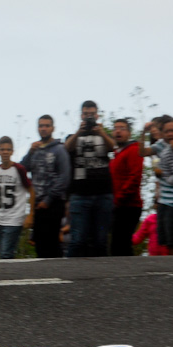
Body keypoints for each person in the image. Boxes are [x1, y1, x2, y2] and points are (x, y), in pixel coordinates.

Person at [64, 101, 115, 257]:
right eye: (86, 114)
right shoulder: (74, 136)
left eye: (92, 114)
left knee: (101, 240)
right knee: (78, 240)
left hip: (103, 194)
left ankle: (101, 271)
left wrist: (101, 133)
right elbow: (67, 147)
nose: (89, 117)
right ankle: (70, 270)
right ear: (81, 116)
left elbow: (113, 147)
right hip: (80, 195)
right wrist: (78, 132)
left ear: (97, 115)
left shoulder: (103, 135)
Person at [21, 115, 71, 258]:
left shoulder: (59, 149)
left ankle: (57, 270)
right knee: (39, 244)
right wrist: (29, 152)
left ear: (52, 128)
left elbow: (64, 177)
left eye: (47, 126)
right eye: (41, 126)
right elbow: (22, 169)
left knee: (52, 243)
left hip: (53, 203)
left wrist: (48, 200)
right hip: (37, 204)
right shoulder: (35, 150)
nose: (43, 129)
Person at [0, 137, 35, 259]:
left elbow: (31, 190)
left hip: (14, 218)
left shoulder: (19, 169)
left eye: (8, 150)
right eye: (2, 149)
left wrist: (30, 215)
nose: (5, 152)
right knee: (2, 252)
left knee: (5, 253)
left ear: (12, 151)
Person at [139, 115, 173, 255]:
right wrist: (143, 132)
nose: (170, 134)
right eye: (167, 131)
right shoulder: (160, 145)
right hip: (164, 200)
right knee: (166, 241)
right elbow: (142, 153)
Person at [109, 119, 143, 256]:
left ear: (129, 133)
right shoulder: (117, 154)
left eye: (122, 128)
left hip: (129, 205)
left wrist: (119, 198)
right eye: (115, 128)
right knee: (118, 245)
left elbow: (135, 177)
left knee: (121, 244)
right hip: (118, 205)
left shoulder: (134, 150)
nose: (118, 131)